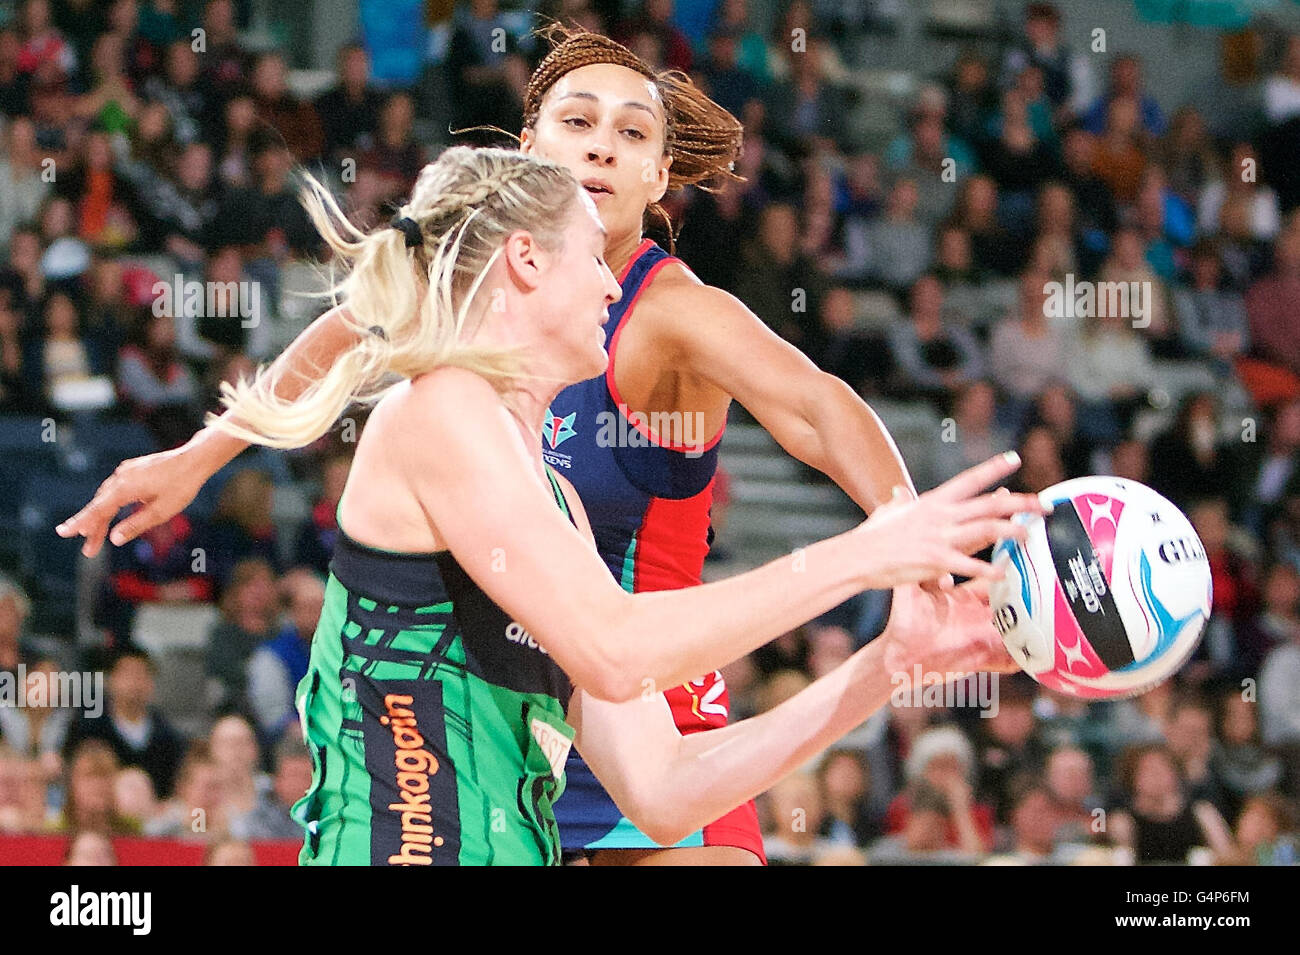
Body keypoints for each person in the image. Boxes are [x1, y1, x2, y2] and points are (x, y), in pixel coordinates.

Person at [57, 27, 1041, 867]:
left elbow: (820, 410)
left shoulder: (667, 319)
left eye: (632, 132)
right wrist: (198, 455)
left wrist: (899, 593)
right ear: (527, 159)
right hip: (553, 702)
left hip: (640, 694)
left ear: (662, 175)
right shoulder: (443, 397)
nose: (602, 149)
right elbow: (348, 325)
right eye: (576, 122)